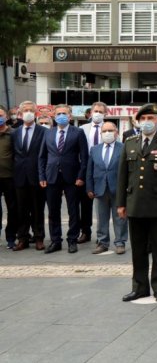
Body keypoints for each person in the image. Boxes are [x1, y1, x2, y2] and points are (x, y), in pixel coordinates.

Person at [117, 103, 157, 304]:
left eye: (150, 118)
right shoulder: (130, 143)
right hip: (135, 204)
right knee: (138, 250)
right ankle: (139, 287)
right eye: (143, 119)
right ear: (137, 122)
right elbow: (122, 176)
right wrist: (121, 203)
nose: (146, 122)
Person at [39, 104, 88, 254]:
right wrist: (42, 175)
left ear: (70, 116)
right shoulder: (48, 133)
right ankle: (55, 241)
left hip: (72, 177)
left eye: (64, 113)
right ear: (54, 116)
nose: (61, 116)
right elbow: (42, 157)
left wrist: (81, 176)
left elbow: (84, 157)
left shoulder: (78, 132)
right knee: (53, 210)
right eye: (58, 113)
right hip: (51, 176)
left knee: (73, 210)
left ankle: (72, 240)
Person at [86, 122, 127, 254]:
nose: (107, 133)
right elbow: (90, 170)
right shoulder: (95, 149)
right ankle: (102, 242)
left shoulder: (124, 148)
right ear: (101, 133)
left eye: (110, 130)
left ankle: (120, 243)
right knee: (101, 218)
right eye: (104, 131)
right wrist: (89, 188)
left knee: (120, 217)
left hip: (118, 189)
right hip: (100, 188)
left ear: (116, 132)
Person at [12, 101, 48, 251]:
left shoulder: (43, 131)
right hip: (19, 176)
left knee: (37, 209)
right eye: (25, 110)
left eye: (31, 110)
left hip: (37, 176)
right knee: (21, 210)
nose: (28, 113)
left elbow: (45, 155)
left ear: (36, 113)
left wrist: (43, 175)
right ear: (20, 114)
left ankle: (39, 237)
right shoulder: (15, 132)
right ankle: (23, 238)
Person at [78, 101, 109, 244]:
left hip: (103, 169)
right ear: (90, 113)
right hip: (86, 169)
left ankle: (102, 234)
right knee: (85, 204)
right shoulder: (82, 128)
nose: (97, 114)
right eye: (95, 111)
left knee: (103, 205)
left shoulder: (109, 129)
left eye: (101, 112)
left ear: (105, 114)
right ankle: (85, 231)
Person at [0, 106, 18, 249]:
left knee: (13, 209)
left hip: (11, 177)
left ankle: (11, 237)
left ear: (6, 117)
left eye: (0, 115)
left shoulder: (14, 134)